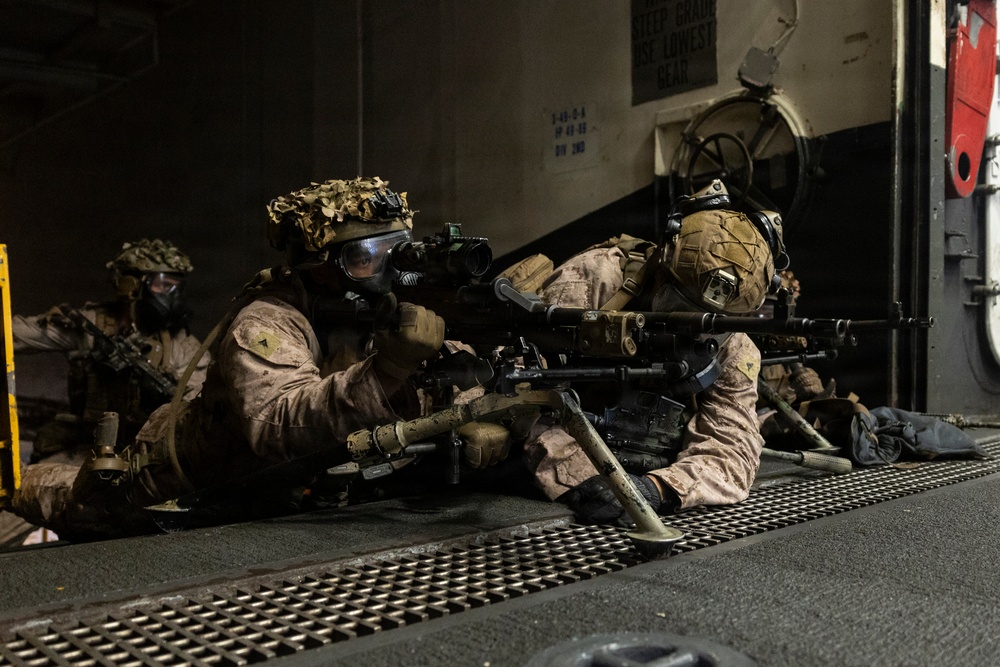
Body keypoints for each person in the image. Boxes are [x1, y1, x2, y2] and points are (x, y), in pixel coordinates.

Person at [9, 177, 508, 541]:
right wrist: (391, 369)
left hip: (259, 499)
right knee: (39, 493)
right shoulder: (267, 320)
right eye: (365, 257)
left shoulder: (373, 315)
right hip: (166, 486)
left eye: (396, 252)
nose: (385, 271)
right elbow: (276, 423)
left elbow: (441, 379)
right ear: (318, 267)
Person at [523, 180, 786, 526]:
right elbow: (522, 393)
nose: (693, 330)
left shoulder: (732, 341)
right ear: (661, 273)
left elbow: (732, 442)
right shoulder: (594, 282)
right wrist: (580, 475)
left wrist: (658, 489)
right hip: (562, 451)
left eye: (712, 323)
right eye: (681, 308)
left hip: (645, 466)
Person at [12, 239, 209, 464]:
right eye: (162, 285)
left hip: (148, 455)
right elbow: (16, 335)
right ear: (131, 285)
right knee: (42, 487)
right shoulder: (90, 327)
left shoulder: (184, 347)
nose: (171, 295)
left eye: (176, 287)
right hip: (87, 447)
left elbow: (198, 413)